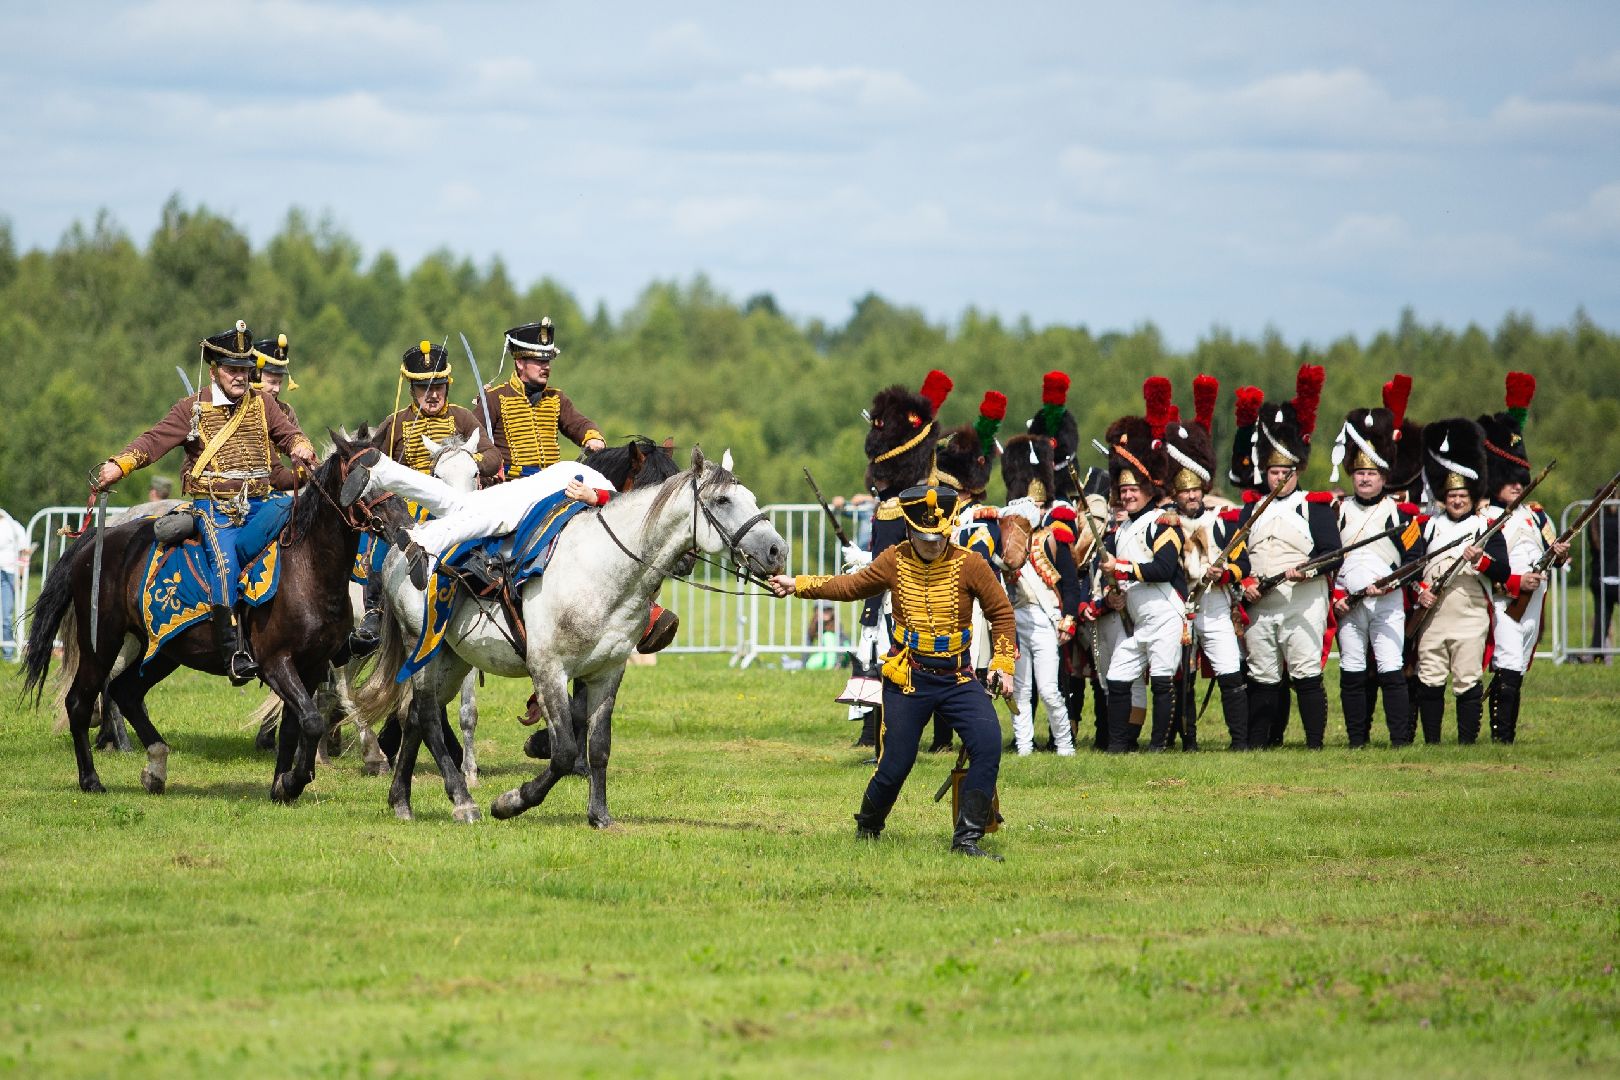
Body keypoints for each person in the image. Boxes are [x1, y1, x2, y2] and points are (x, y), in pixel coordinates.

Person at [767, 484, 1016, 860]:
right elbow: (850, 585)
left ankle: (967, 840)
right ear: (910, 531)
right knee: (896, 764)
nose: (932, 544)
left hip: (958, 678)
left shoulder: (970, 564)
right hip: (909, 677)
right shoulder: (893, 559)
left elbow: (1001, 614)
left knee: (988, 744)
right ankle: (868, 826)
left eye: (938, 537)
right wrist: (798, 584)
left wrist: (1002, 665)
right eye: (923, 537)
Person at [94, 320, 317, 680]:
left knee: (302, 519)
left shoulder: (263, 404)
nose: (240, 376)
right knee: (227, 562)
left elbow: (288, 434)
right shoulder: (190, 409)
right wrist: (120, 465)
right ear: (215, 370)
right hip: (216, 509)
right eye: (232, 369)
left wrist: (302, 447)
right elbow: (154, 441)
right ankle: (233, 653)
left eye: (244, 369)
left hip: (263, 504)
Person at [351, 340, 503, 650]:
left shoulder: (462, 418)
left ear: (447, 385)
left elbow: (493, 457)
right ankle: (375, 613)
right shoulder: (395, 424)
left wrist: (466, 461)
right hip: (403, 513)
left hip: (453, 510)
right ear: (412, 389)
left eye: (438, 386)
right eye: (423, 387)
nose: (431, 394)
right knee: (381, 553)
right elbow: (371, 467)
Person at [840, 371, 954, 756]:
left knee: (890, 669)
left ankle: (888, 742)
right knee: (878, 666)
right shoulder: (898, 505)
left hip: (895, 600)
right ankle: (876, 737)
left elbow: (888, 561)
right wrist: (863, 560)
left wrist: (860, 564)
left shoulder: (896, 509)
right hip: (890, 596)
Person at [1231, 365, 1338, 749]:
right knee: (1263, 676)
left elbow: (1332, 555)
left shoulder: (1315, 506)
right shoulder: (1249, 509)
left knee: (1306, 674)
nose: (1280, 477)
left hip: (1303, 602)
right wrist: (1244, 582)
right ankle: (1262, 743)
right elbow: (1238, 556)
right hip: (1261, 602)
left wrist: (1306, 572)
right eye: (1274, 470)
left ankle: (1313, 745)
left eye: (1286, 471)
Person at [1325, 374, 1422, 747]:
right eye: (1361, 473)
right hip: (1348, 603)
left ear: (1384, 476)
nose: (1365, 479)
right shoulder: (1338, 511)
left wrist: (1390, 584)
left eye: (1372, 473)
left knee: (1391, 670)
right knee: (1351, 672)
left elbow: (1414, 557)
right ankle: (1356, 740)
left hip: (1387, 602)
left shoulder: (1400, 515)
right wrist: (1337, 594)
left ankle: (1399, 740)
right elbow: (1330, 560)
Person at [1478, 373, 1568, 742]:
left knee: (1517, 664)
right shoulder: (1484, 517)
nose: (1517, 484)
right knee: (1508, 662)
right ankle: (1503, 738)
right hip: (1503, 599)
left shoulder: (1536, 514)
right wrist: (1515, 584)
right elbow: (1486, 564)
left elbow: (1554, 554)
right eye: (1510, 477)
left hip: (1533, 601)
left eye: (1521, 477)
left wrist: (1559, 553)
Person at [1162, 375, 1249, 749]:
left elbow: (1242, 563)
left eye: (1196, 489)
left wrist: (1223, 571)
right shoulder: (1165, 522)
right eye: (1185, 491)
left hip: (1214, 604)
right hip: (1180, 606)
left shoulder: (1223, 520)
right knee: (1181, 675)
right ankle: (1188, 740)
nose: (1192, 496)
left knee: (1230, 670)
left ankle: (1241, 742)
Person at [1411, 418, 1510, 743]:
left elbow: (1503, 572)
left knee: (1468, 681)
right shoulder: (1426, 526)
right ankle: (1433, 742)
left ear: (1473, 494)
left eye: (1462, 494)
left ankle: (1467, 742)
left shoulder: (1487, 528)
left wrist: (1479, 560)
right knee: (1430, 680)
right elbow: (1410, 568)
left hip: (1470, 616)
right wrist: (1419, 591)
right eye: (1452, 494)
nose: (1456, 500)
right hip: (1433, 616)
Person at [1099, 404, 1188, 753]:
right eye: (1123, 490)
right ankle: (1120, 744)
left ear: (1149, 489)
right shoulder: (1122, 528)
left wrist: (1121, 569)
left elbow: (1164, 569)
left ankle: (1159, 746)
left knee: (1163, 681)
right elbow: (1117, 578)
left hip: (1166, 614)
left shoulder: (1164, 522)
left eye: (1134, 488)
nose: (1127, 494)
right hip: (1138, 619)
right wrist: (1112, 594)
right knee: (1118, 675)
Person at [931, 389, 1007, 752]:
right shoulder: (949, 516)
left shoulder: (982, 519)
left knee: (968, 673)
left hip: (973, 605)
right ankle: (942, 740)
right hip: (944, 600)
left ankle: (971, 739)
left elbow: (976, 558)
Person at [998, 432, 1079, 756]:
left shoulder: (1052, 537)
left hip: (1046, 620)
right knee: (1021, 689)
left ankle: (1064, 746)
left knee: (1048, 690)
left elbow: (1070, 584)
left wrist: (1069, 617)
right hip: (1017, 618)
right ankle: (1024, 747)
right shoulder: (1005, 541)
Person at [481, 318, 604, 480]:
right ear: (519, 363)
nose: (546, 366)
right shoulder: (494, 398)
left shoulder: (556, 398)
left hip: (551, 483)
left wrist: (593, 437)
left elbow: (578, 424)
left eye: (547, 361)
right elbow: (474, 440)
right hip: (510, 487)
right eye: (539, 361)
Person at [1588, 497, 1620, 661]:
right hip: (1616, 575)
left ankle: (1597, 651)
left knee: (1602, 617)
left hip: (1600, 577)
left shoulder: (1594, 524)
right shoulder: (1616, 523)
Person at [0, 507, 31, 661]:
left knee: (6, 616)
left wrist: (20, 575)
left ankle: (8, 652)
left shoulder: (14, 526)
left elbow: (25, 551)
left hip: (9, 573)